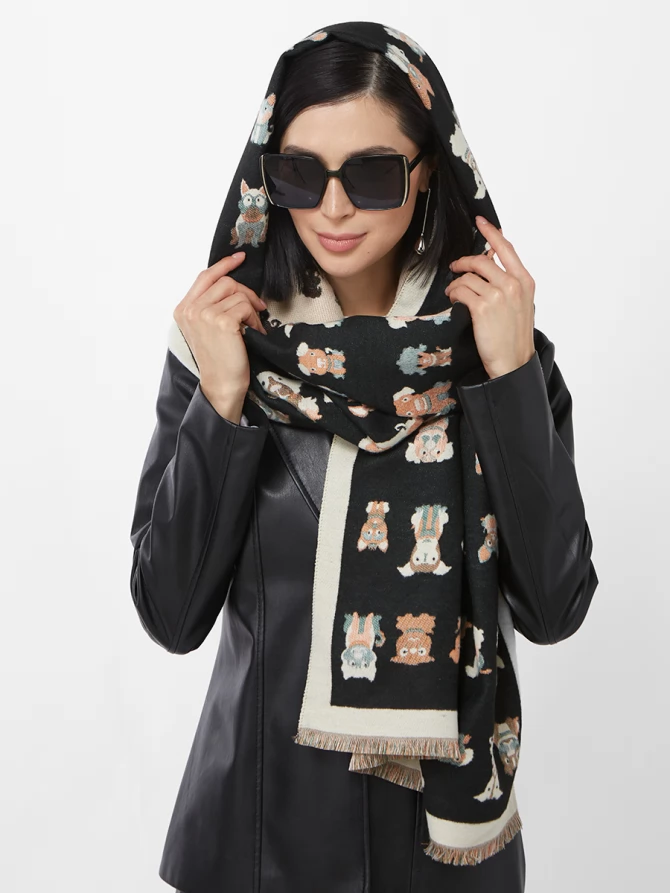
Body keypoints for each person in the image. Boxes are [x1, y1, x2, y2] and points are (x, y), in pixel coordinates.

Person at [128, 21, 598, 893]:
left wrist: (507, 380)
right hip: (255, 846)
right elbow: (170, 612)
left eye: (373, 174)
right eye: (300, 174)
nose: (333, 209)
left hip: (444, 858)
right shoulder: (223, 347)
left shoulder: (498, 355)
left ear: (429, 173)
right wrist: (222, 399)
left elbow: (555, 605)